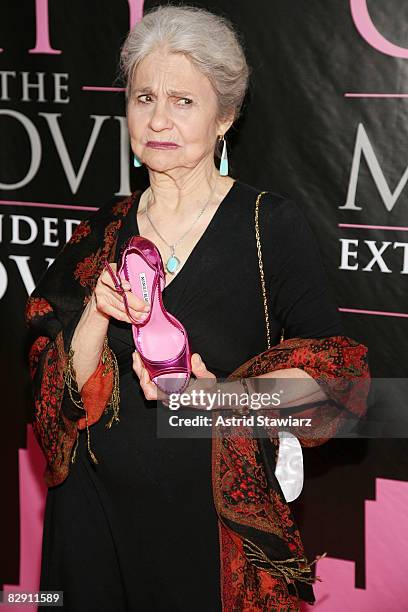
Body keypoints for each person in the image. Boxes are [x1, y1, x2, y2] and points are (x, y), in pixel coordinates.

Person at [25, 5, 370, 611]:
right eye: (144, 97)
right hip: (91, 525)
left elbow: (338, 391)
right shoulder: (97, 236)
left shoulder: (269, 225)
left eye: (184, 100)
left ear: (225, 117)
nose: (159, 119)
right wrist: (97, 312)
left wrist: (212, 398)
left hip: (210, 536)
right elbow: (56, 401)